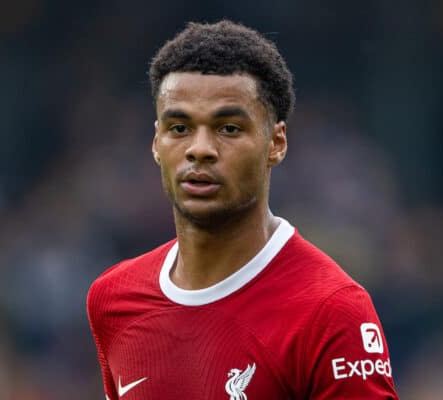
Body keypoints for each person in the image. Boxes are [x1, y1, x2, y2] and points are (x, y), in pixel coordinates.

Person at [87, 20, 399, 399]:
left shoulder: (331, 311)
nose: (200, 148)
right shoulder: (112, 299)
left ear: (276, 143)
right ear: (156, 142)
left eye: (229, 128)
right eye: (180, 127)